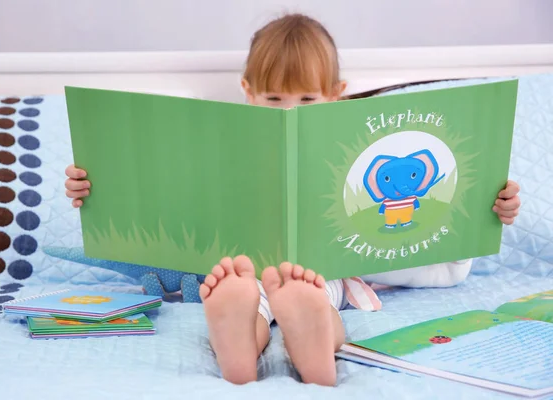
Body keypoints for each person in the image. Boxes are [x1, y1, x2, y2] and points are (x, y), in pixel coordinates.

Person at [64, 13, 521, 386]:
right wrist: (96, 191)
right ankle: (240, 342)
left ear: (337, 96)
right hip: (245, 267)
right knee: (247, 288)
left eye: (307, 98)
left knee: (314, 294)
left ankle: (308, 344)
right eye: (274, 97)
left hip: (323, 266)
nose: (288, 110)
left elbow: (416, 232)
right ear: (247, 91)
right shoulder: (220, 146)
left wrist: (489, 209)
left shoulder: (358, 159)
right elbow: (157, 197)